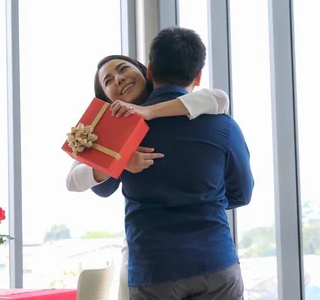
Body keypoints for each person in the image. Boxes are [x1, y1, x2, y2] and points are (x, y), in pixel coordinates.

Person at [91, 27, 253, 300]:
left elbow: (101, 188)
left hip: (154, 270)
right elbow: (242, 194)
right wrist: (204, 199)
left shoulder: (124, 130)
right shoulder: (224, 125)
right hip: (215, 263)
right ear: (198, 76)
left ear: (149, 71)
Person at [66, 54, 231, 300]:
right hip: (145, 257)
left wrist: (148, 111)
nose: (119, 79)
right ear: (105, 97)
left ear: (145, 72)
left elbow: (219, 98)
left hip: (203, 254)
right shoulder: (106, 129)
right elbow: (72, 182)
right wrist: (120, 161)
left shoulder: (175, 105)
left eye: (123, 69)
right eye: (108, 81)